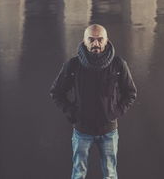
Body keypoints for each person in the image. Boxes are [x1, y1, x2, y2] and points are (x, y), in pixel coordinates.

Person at [49, 24, 137, 179]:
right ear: (84, 41)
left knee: (110, 174)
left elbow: (130, 93)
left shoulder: (118, 65)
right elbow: (57, 92)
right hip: (82, 130)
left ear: (106, 41)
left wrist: (114, 113)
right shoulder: (73, 65)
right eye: (91, 39)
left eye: (99, 39)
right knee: (78, 173)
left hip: (109, 131)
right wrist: (72, 113)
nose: (96, 43)